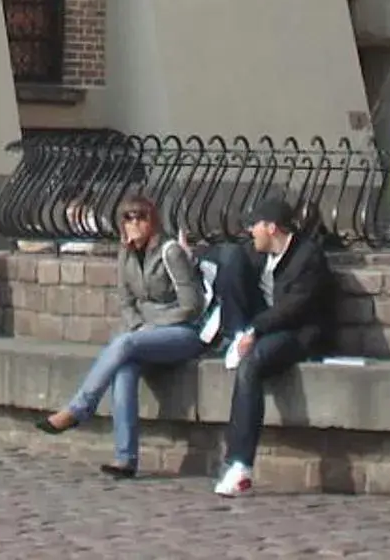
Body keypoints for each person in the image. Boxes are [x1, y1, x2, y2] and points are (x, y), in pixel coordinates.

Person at [36, 194, 205, 474]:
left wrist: (151, 325)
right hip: (144, 335)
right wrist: (140, 326)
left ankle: (79, 409)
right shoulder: (125, 254)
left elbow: (192, 305)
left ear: (152, 220)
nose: (134, 223)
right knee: (124, 369)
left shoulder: (170, 252)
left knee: (124, 342)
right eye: (128, 217)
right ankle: (126, 458)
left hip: (181, 333)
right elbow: (125, 302)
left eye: (141, 217)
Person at [203, 194, 330, 497]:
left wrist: (255, 331)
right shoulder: (258, 253)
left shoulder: (308, 257)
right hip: (262, 328)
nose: (251, 232)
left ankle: (239, 464)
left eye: (255, 226)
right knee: (231, 258)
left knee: (252, 365)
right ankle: (235, 335)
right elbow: (220, 253)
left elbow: (294, 310)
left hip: (297, 334)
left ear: (272, 228)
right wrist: (189, 254)